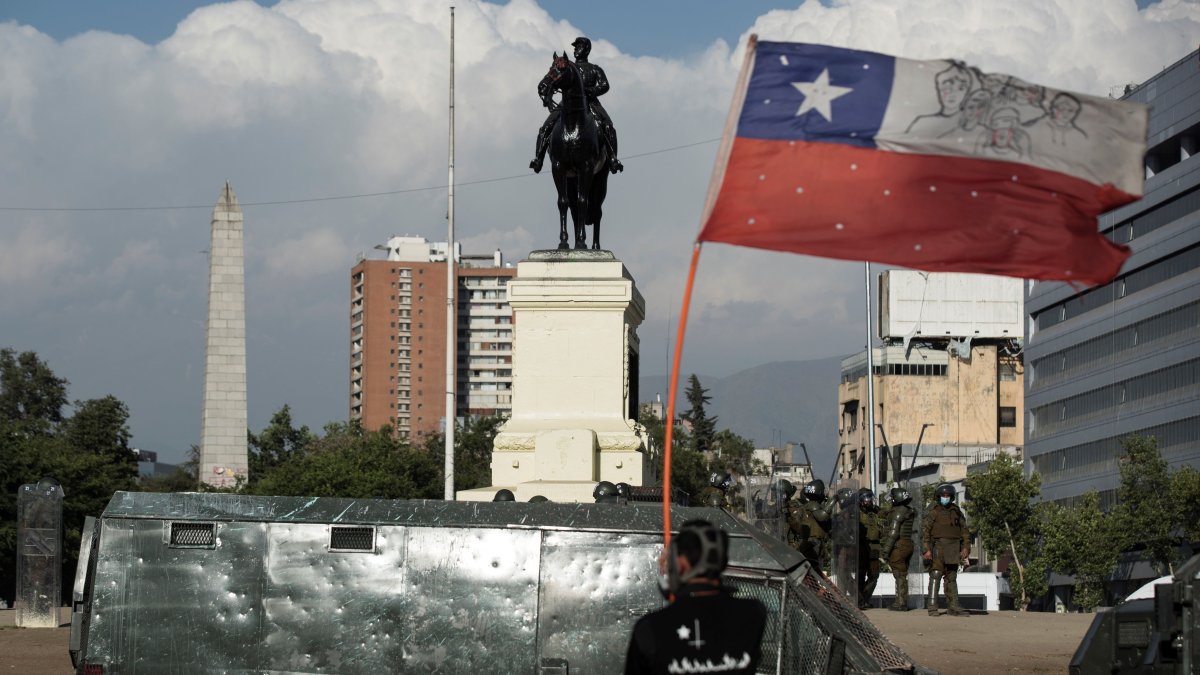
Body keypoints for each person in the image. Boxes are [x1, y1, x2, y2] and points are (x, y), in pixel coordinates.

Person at [624, 520, 767, 674]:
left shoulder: (651, 629)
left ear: (682, 563)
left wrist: (670, 576)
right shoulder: (752, 614)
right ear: (722, 562)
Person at [531, 36, 623, 175]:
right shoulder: (567, 67)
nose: (575, 49)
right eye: (574, 47)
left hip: (590, 102)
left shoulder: (594, 69)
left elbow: (605, 85)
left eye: (579, 47)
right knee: (546, 126)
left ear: (586, 49)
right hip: (567, 103)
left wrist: (591, 91)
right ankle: (539, 158)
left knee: (608, 125)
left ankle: (613, 159)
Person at [922, 483, 970, 616]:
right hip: (938, 547)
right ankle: (932, 607)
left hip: (953, 548)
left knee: (952, 577)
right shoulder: (933, 511)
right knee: (936, 574)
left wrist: (966, 547)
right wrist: (926, 549)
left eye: (947, 495)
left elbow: (964, 531)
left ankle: (953, 606)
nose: (945, 497)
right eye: (943, 495)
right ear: (938, 496)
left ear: (952, 496)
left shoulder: (956, 511)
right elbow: (925, 531)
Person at [880, 487, 916, 611]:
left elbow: (894, 532)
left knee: (899, 574)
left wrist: (885, 550)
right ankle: (901, 601)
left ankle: (901, 602)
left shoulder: (899, 511)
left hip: (899, 545)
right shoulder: (907, 510)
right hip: (907, 544)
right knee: (902, 573)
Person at [795, 479, 832, 571]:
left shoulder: (810, 505)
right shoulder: (813, 505)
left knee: (816, 567)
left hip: (815, 541)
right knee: (814, 569)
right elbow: (822, 516)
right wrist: (833, 500)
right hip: (813, 542)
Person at [857, 488, 882, 610]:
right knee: (860, 574)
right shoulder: (856, 513)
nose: (869, 501)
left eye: (870, 498)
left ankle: (865, 598)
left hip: (874, 547)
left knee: (874, 574)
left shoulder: (876, 512)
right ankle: (859, 600)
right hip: (861, 546)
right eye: (867, 498)